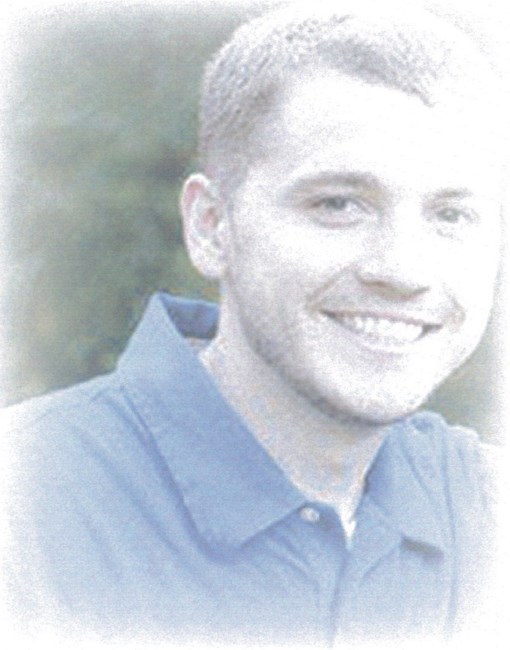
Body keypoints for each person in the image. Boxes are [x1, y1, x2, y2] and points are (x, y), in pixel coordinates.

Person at [1, 2, 506, 645]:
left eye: (453, 215)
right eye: (339, 204)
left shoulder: (488, 510)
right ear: (212, 226)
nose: (404, 270)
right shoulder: (24, 515)